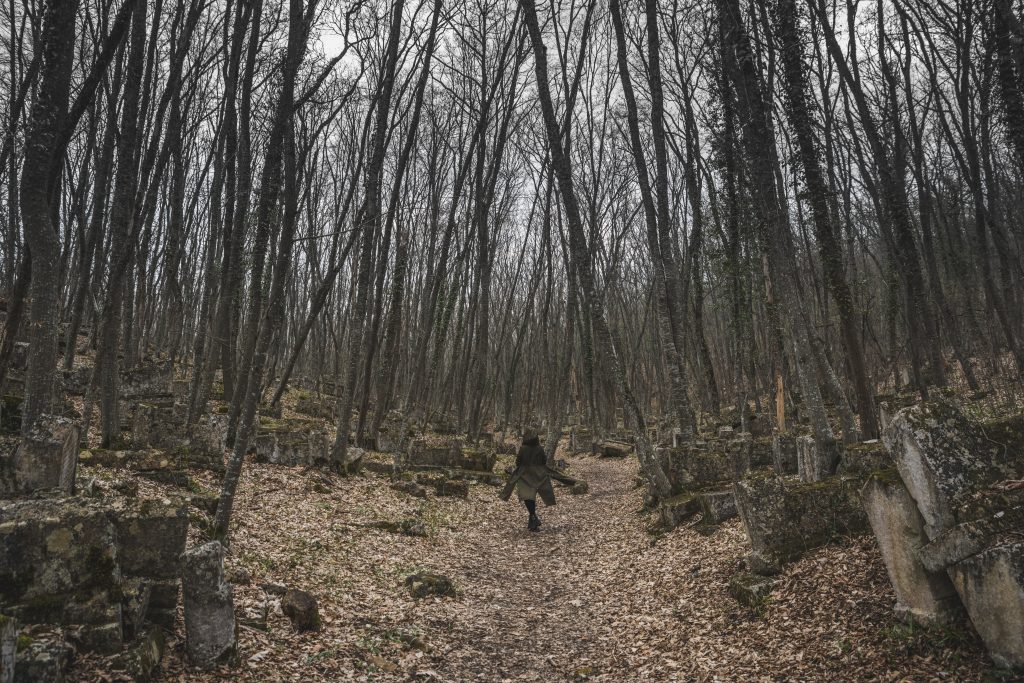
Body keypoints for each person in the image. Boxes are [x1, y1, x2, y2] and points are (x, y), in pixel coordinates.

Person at [499, 429, 576, 531]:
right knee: (530, 497)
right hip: (538, 474)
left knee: (528, 497)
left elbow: (518, 462)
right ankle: (533, 518)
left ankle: (532, 517)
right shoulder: (539, 448)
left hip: (525, 475)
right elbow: (544, 460)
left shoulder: (523, 448)